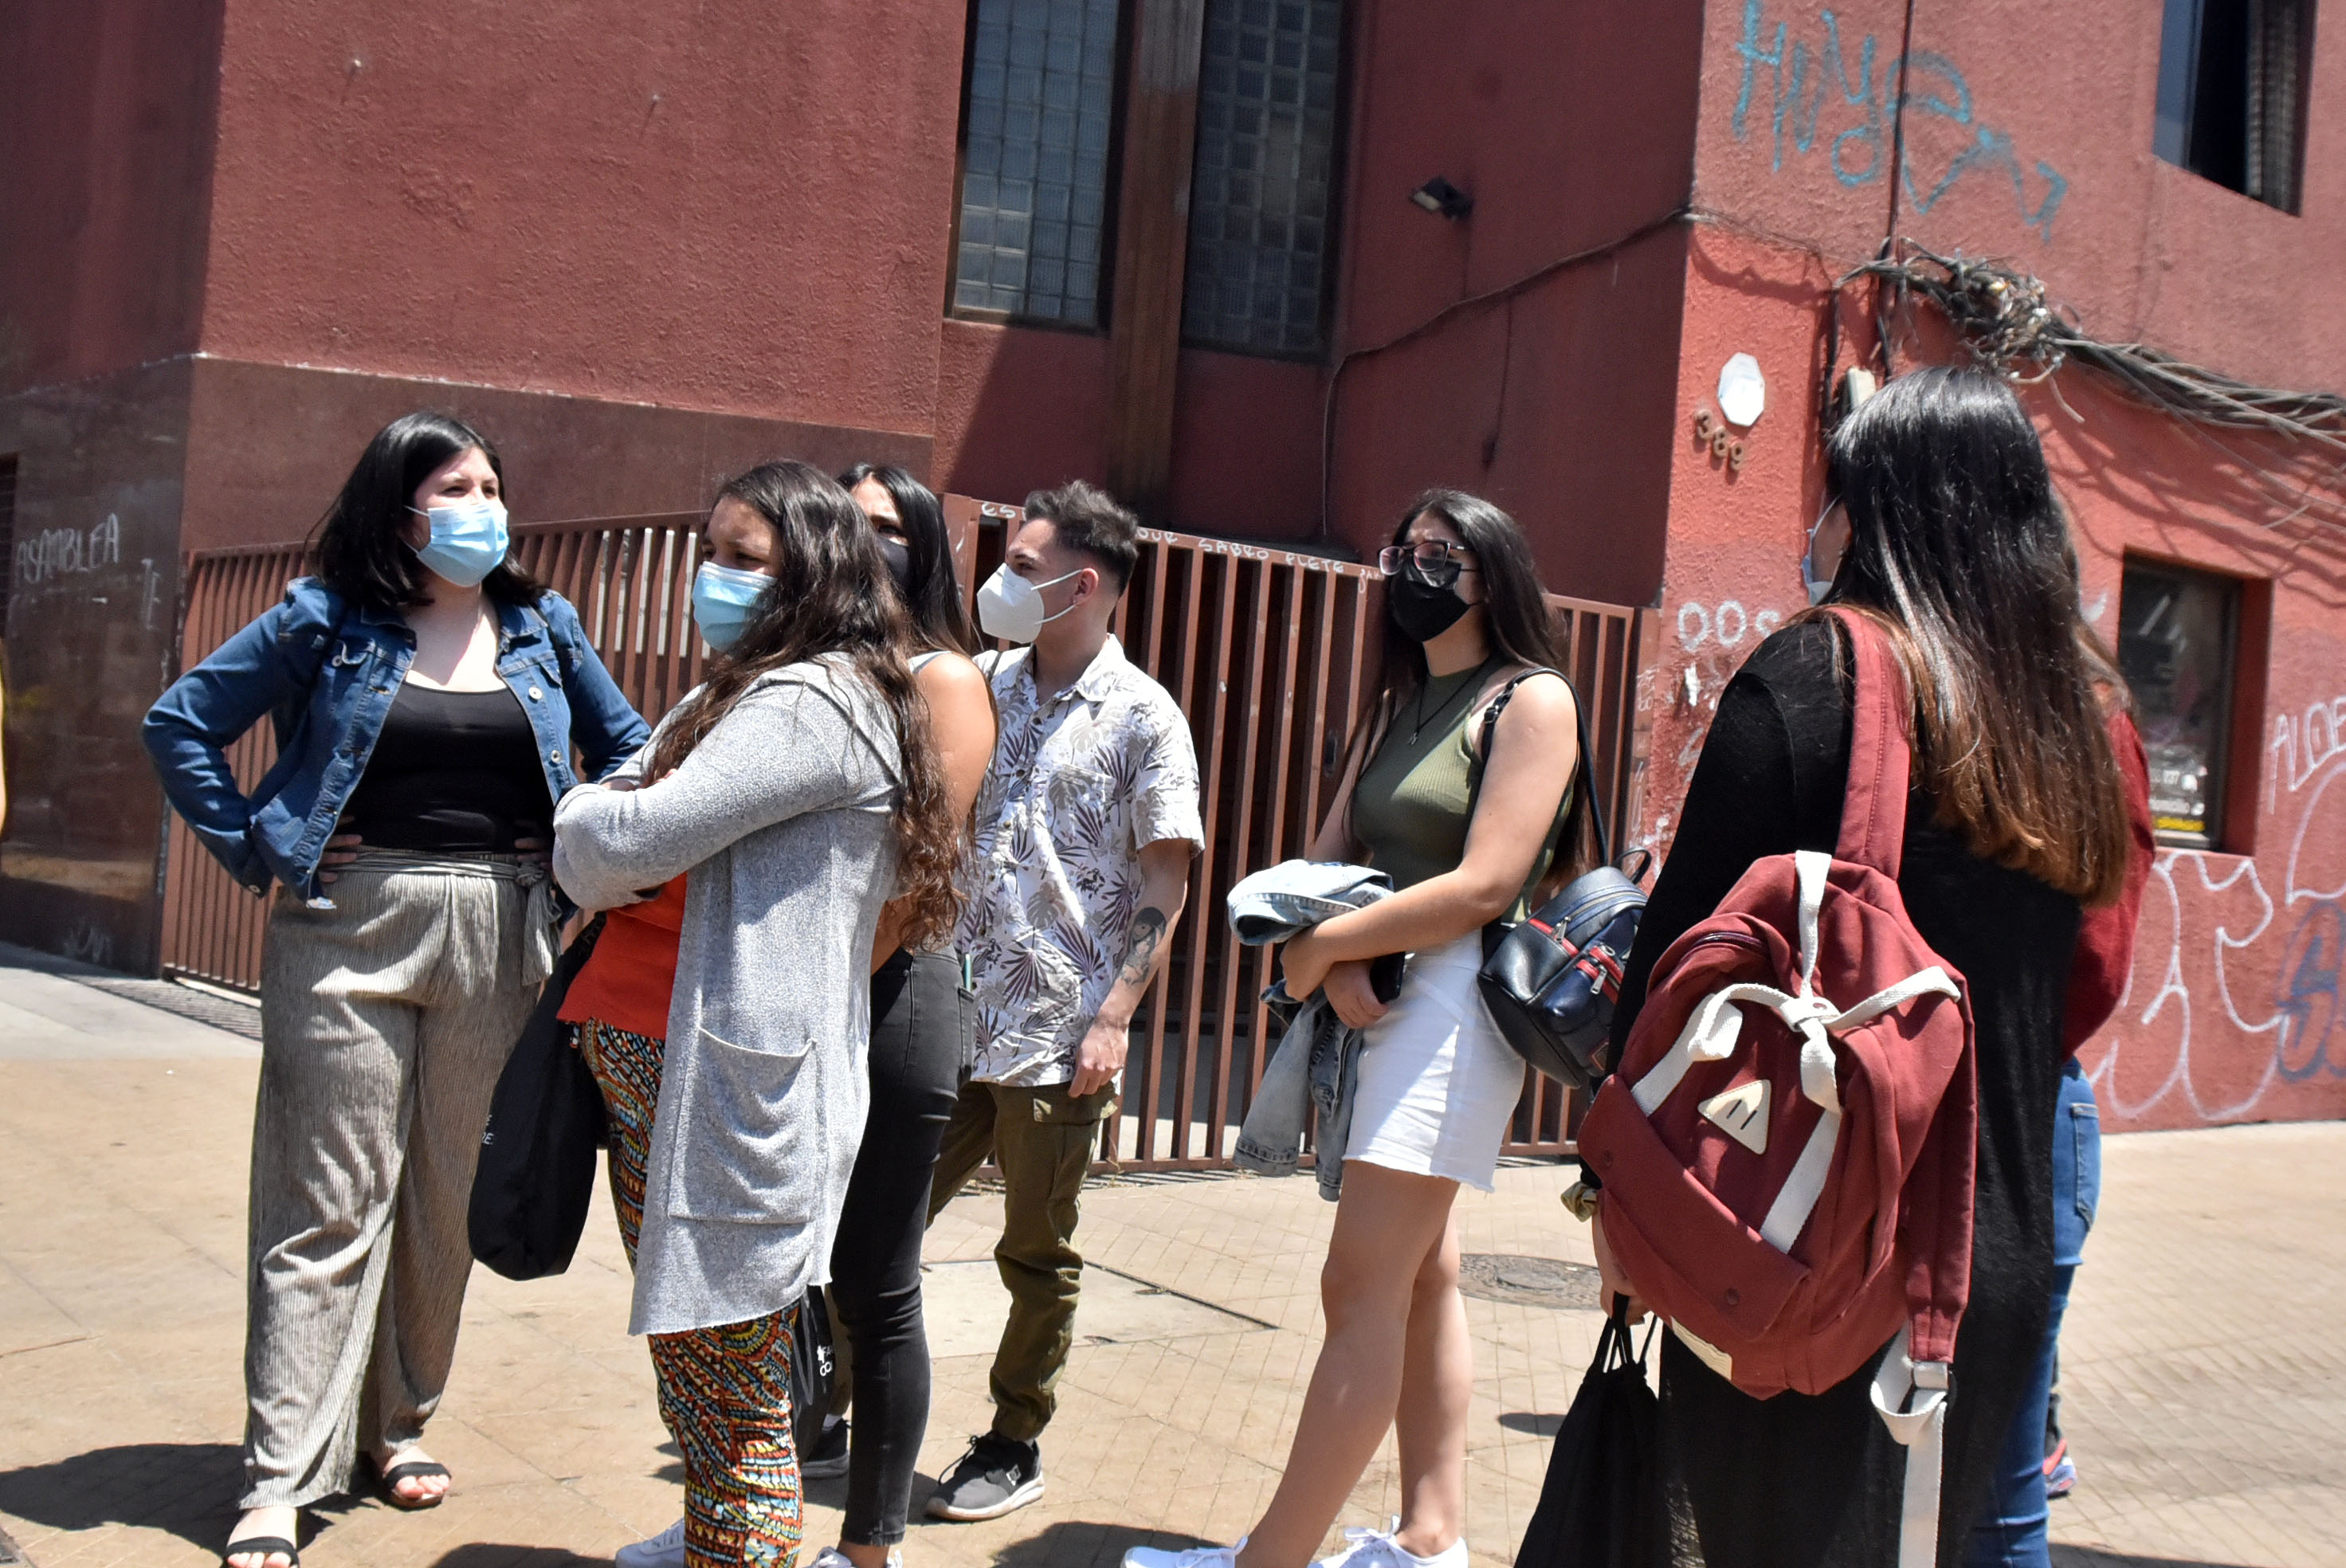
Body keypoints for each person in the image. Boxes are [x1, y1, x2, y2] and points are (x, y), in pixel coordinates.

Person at [1591, 367, 2151, 1567]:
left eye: (1835, 492)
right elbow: (2081, 984)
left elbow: (1675, 967)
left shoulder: (1816, 678)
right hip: (1987, 1264)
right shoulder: (2078, 726)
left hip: (1797, 1242)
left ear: (1877, 510)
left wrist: (1615, 1200)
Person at [141, 412, 649, 1567]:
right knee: (327, 1201)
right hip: (349, 926)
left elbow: (633, 753)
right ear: (400, 506)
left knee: (446, 1197)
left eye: (492, 487)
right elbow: (181, 725)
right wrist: (259, 845)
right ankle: (281, 1472)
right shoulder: (326, 618)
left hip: (506, 928)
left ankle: (398, 1424)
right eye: (454, 488)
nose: (482, 507)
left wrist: (581, 843)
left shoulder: (543, 625)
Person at [1124, 489, 1583, 1568]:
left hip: (1457, 1003)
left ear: (1494, 574)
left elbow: (1487, 884)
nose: (1416, 572)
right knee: (1423, 1275)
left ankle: (1270, 1560)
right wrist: (1326, 958)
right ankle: (1431, 1537)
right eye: (1404, 552)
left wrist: (1329, 949)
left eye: (1443, 555)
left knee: (1359, 1282)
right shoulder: (1397, 703)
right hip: (1377, 992)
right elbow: (1326, 859)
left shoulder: (1531, 700)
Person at [553, 459, 964, 1568]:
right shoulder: (739, 689)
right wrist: (611, 815)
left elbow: (629, 837)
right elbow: (633, 808)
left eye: (746, 559)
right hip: (667, 1072)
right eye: (713, 553)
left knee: (736, 1408)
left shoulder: (813, 702)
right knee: (702, 1377)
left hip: (722, 1097)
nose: (716, 578)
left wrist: (585, 814)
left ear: (813, 573)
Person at [923, 480, 1202, 1523]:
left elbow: (1167, 881)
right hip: (949, 1012)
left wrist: (1114, 1017)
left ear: (1083, 587)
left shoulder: (1145, 718)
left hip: (1056, 1030)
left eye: (1023, 566)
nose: (1000, 580)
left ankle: (1013, 1439)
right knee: (881, 1215)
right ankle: (838, 1404)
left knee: (1035, 1253)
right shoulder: (983, 683)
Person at [797, 463, 996, 1568]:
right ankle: (739, 1509)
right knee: (770, 1279)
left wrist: (820, 991)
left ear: (924, 550)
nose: (863, 544)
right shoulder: (803, 671)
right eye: (845, 523)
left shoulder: (943, 679)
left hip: (890, 995)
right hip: (801, 996)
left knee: (875, 1284)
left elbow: (922, 871)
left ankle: (871, 1547)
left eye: (887, 528)